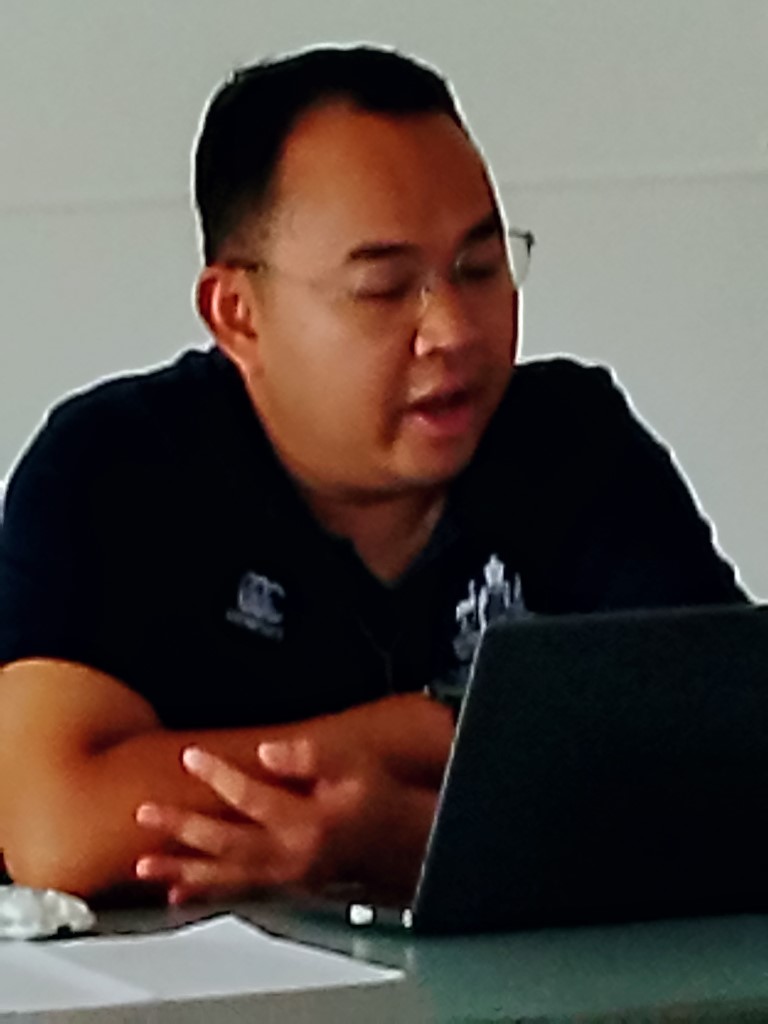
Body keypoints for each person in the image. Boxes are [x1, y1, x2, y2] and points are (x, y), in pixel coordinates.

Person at [0, 45, 746, 905]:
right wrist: (423, 733)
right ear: (238, 315)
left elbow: (730, 762)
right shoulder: (116, 468)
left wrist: (414, 840)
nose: (452, 331)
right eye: (385, 289)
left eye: (479, 269)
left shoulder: (572, 447)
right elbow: (57, 826)